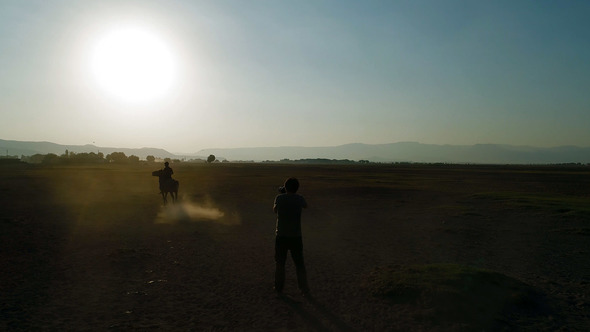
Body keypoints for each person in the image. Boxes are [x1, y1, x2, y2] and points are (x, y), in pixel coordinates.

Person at [273, 177, 309, 297]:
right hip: (296, 236)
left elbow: (275, 210)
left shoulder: (279, 198)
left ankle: (278, 288)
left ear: (285, 187)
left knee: (280, 263)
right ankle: (304, 289)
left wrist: (283, 194)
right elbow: (305, 206)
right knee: (299, 263)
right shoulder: (299, 198)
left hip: (281, 235)